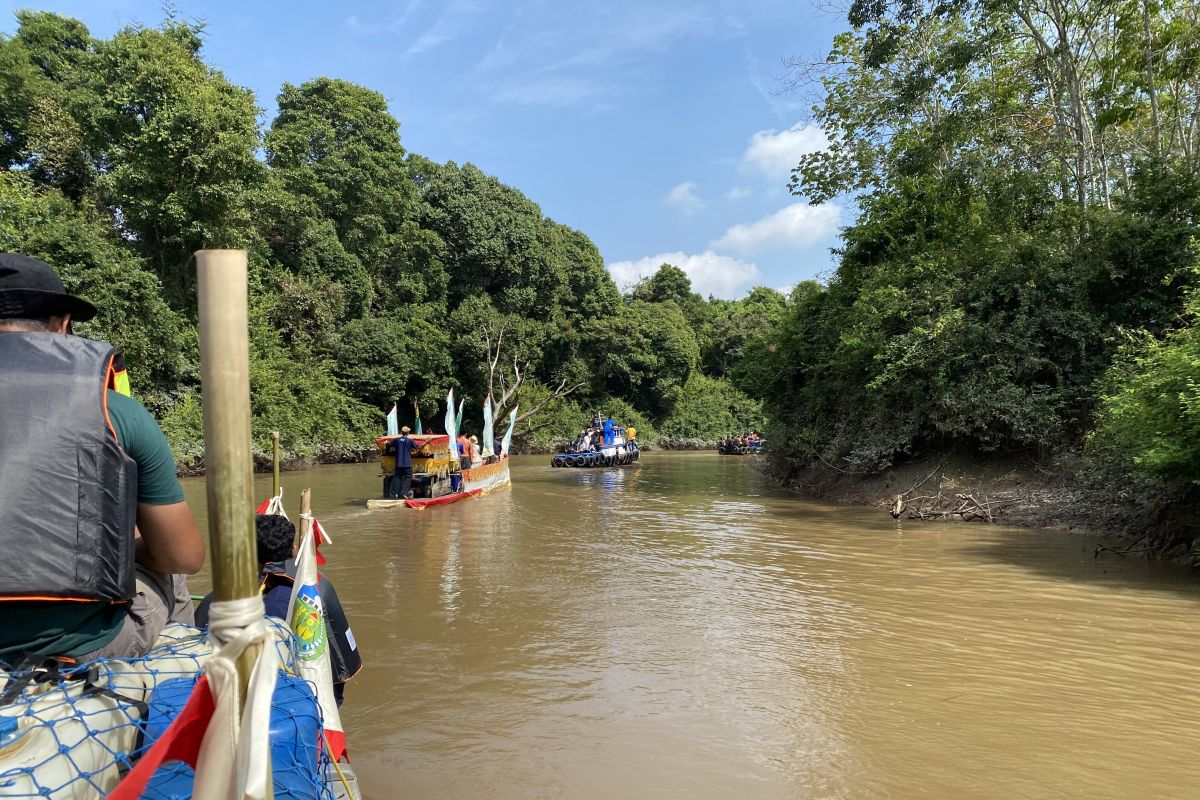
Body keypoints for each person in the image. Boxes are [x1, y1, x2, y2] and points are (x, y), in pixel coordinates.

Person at [0, 253, 204, 663]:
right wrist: (125, 548)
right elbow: (183, 555)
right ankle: (180, 676)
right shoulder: (114, 410)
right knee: (172, 568)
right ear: (62, 324)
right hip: (77, 643)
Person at [195, 515, 361, 705]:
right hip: (304, 697)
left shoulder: (221, 598)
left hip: (239, 696)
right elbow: (337, 655)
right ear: (294, 549)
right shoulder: (315, 586)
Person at [387, 426, 422, 499]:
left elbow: (388, 444)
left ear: (401, 432)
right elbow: (418, 447)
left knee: (397, 477)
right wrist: (427, 441)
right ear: (408, 432)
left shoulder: (396, 440)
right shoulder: (410, 441)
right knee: (408, 478)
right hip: (407, 463)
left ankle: (395, 494)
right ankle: (403, 493)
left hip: (398, 463)